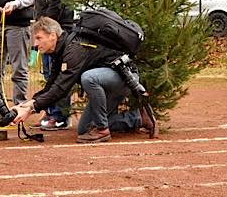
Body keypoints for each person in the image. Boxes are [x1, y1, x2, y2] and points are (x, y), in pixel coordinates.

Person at [11, 17, 158, 143]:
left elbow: (62, 88)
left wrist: (32, 109)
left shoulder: (74, 49)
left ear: (53, 35)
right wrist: (27, 105)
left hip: (122, 78)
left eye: (38, 38)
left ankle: (102, 130)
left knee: (88, 78)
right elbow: (53, 85)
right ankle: (138, 118)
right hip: (107, 84)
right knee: (84, 129)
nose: (35, 44)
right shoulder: (60, 51)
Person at [31, 0, 74, 131]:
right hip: (48, 26)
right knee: (49, 72)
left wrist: (49, 29)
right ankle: (52, 112)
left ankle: (60, 116)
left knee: (56, 73)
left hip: (56, 28)